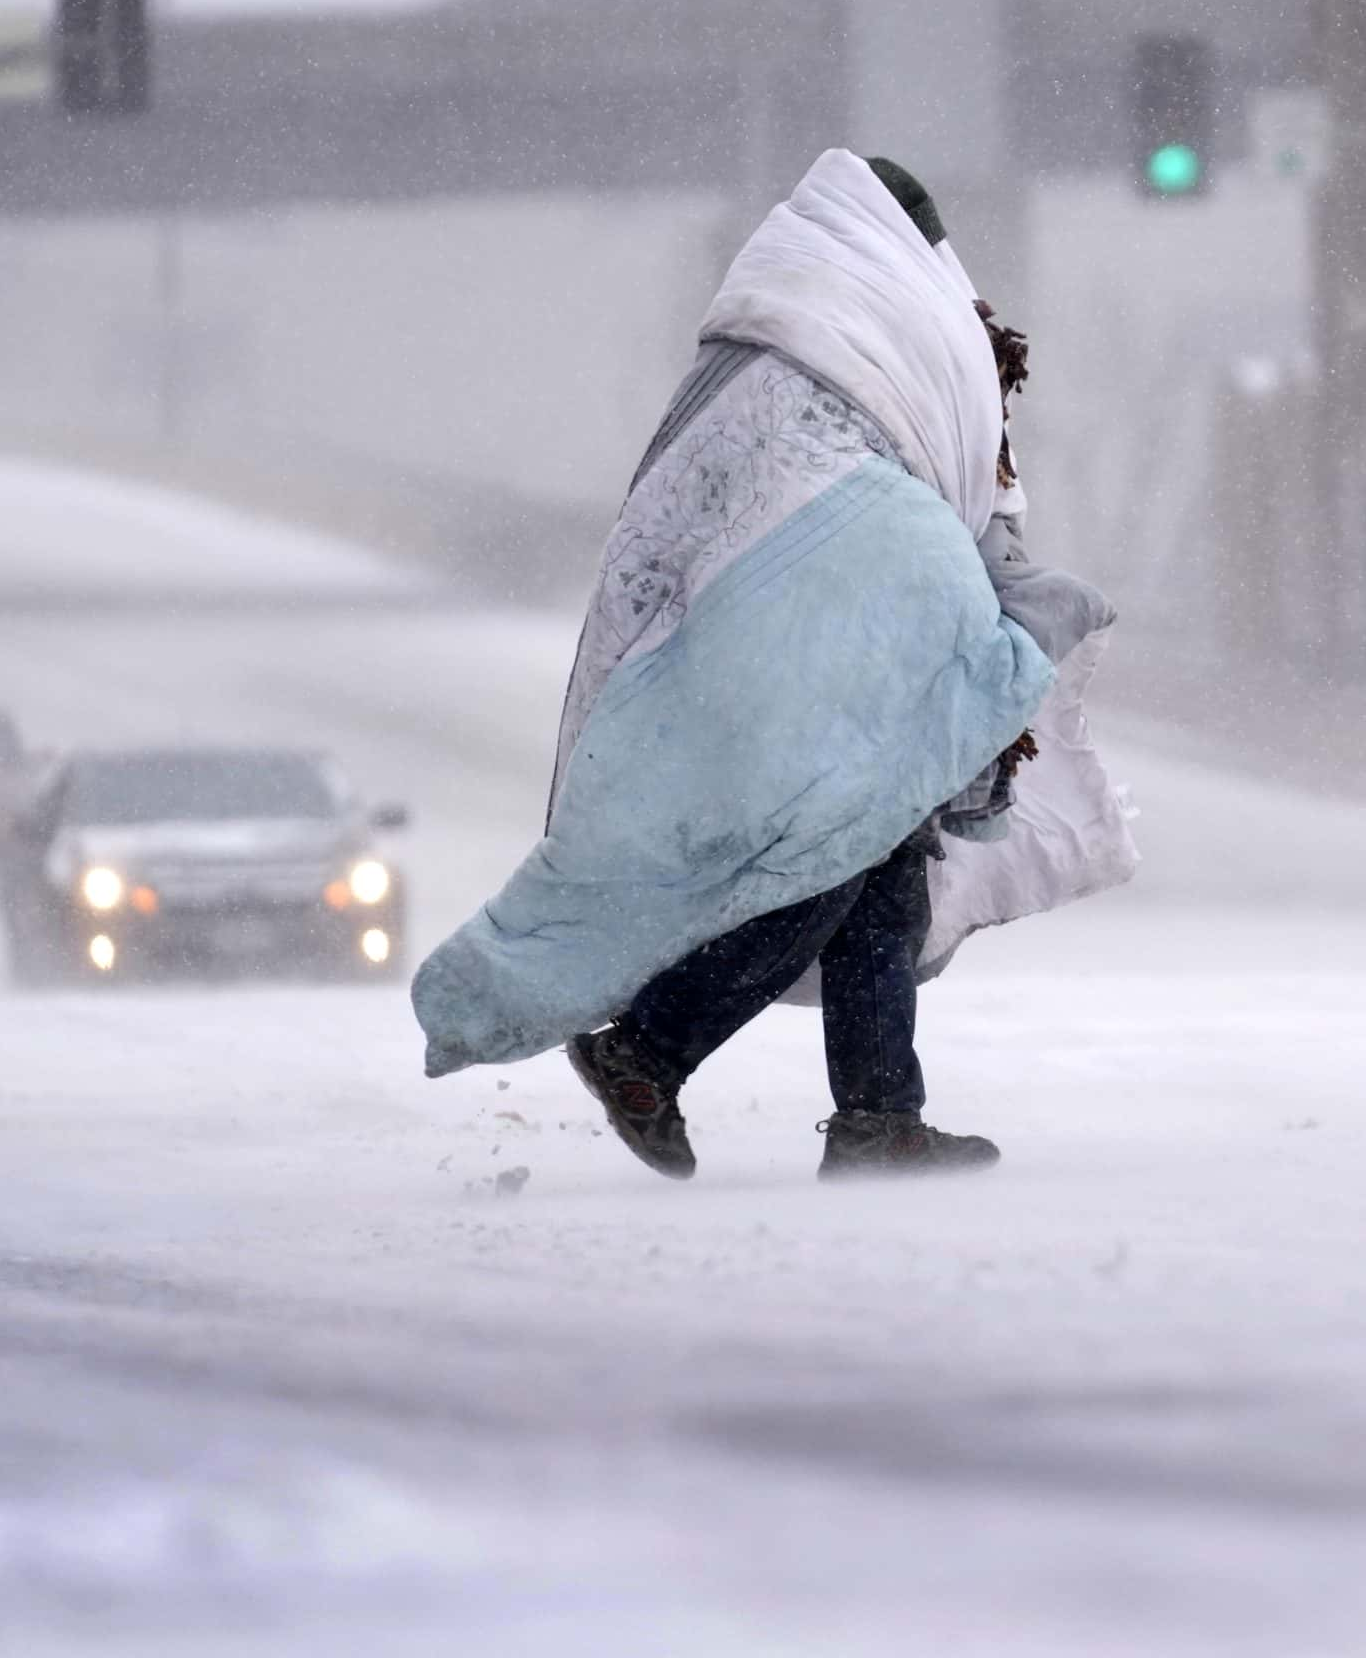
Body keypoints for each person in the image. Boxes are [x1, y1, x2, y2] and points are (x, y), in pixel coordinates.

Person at [411, 150, 1134, 1179]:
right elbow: (950, 493)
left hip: (754, 628)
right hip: (817, 631)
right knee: (838, 846)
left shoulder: (777, 336)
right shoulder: (904, 335)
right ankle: (649, 1049)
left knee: (878, 855)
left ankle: (877, 1114)